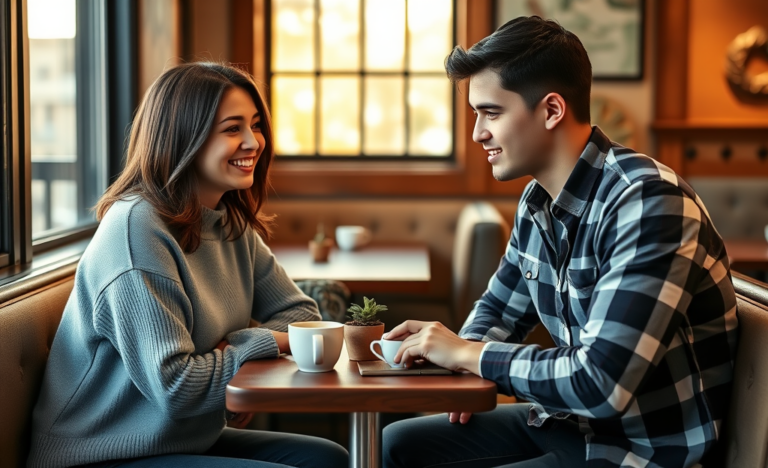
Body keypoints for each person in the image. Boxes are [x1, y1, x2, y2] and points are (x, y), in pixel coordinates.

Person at [383, 16, 738, 468]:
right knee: (398, 444)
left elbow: (600, 383)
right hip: (569, 425)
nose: (477, 133)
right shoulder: (538, 201)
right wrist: (462, 365)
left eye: (491, 113)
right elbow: (498, 311)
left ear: (551, 110)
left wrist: (471, 354)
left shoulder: (649, 202)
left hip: (645, 453)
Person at [27, 63, 348, 468]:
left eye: (255, 125)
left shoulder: (227, 222)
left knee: (328, 458)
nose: (254, 142)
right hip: (102, 453)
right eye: (232, 129)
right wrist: (251, 346)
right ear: (184, 139)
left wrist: (230, 354)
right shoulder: (136, 230)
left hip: (182, 440)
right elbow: (179, 388)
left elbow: (302, 315)